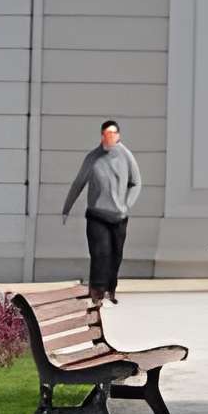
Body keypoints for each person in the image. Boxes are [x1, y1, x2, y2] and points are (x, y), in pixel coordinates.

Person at [62, 119, 141, 302]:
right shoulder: (93, 158)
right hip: (97, 215)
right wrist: (66, 208)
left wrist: (127, 204)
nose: (109, 137)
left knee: (115, 255)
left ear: (118, 136)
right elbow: (78, 183)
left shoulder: (126, 156)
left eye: (112, 134)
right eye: (106, 134)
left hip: (119, 217)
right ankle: (97, 292)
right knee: (100, 253)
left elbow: (136, 182)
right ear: (101, 136)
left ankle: (110, 290)